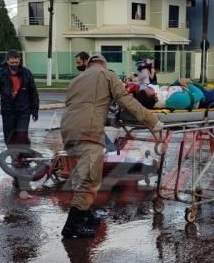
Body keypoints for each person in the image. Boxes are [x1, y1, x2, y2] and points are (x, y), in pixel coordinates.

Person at [60, 54, 162, 238]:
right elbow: (125, 100)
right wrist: (151, 120)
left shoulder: (76, 80)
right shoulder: (107, 75)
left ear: (89, 64)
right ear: (104, 65)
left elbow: (84, 107)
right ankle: (72, 227)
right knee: (89, 179)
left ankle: (85, 215)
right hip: (88, 131)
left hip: (68, 129)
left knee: (81, 175)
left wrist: (108, 120)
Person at [0, 50, 40, 198]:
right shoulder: (0, 74)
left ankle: (23, 170)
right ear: (7, 61)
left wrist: (35, 109)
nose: (14, 65)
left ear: (20, 60)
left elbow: (33, 92)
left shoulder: (26, 73)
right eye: (11, 63)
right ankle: (15, 169)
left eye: (16, 62)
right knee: (10, 141)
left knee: (22, 138)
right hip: (8, 111)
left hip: (23, 111)